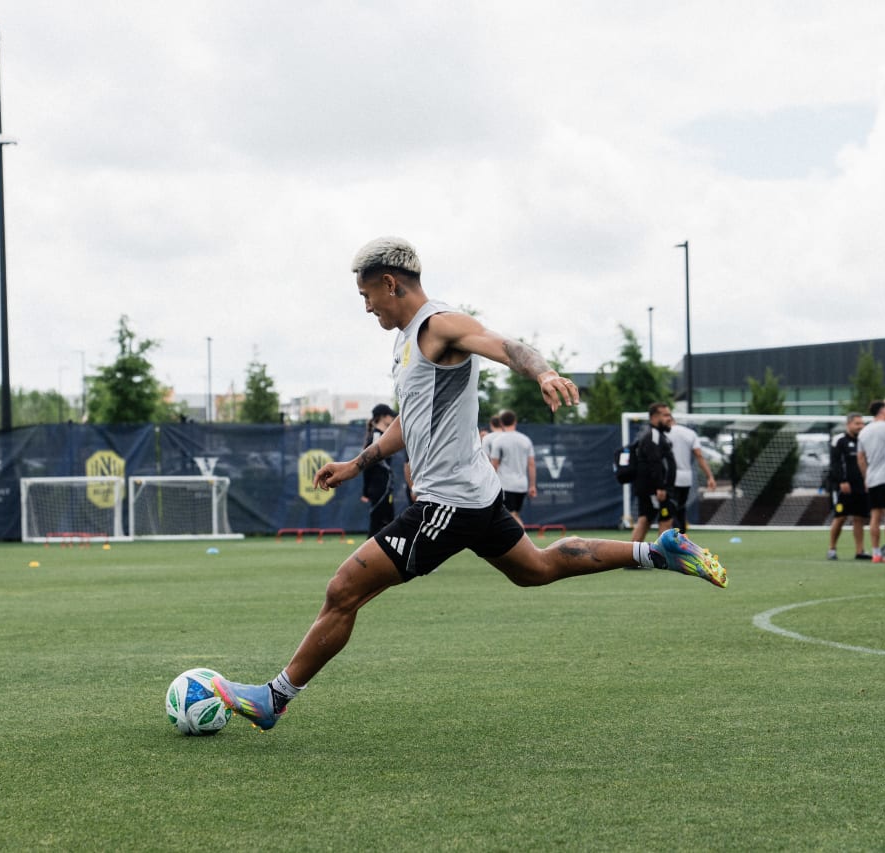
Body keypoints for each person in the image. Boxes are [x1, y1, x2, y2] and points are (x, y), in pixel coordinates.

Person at [210, 237, 727, 732]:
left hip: (449, 504)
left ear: (390, 284)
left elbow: (509, 346)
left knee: (343, 590)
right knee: (537, 569)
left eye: (367, 296)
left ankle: (272, 699)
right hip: (475, 498)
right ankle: (658, 553)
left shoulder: (439, 324)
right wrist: (357, 463)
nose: (367, 307)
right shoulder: (406, 343)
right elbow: (408, 423)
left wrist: (543, 373)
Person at [857, 400, 885, 563]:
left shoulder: (864, 431)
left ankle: (875, 553)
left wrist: (866, 476)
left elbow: (860, 458)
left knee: (874, 516)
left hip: (872, 478)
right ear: (883, 411)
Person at [630, 402, 676, 542]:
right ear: (655, 417)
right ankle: (662, 556)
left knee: (646, 518)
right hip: (654, 489)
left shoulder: (658, 435)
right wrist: (660, 487)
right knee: (664, 519)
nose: (670, 418)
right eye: (666, 415)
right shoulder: (653, 435)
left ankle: (632, 557)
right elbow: (654, 462)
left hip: (653, 487)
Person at [827, 412, 869, 560]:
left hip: (860, 486)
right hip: (843, 487)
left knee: (859, 518)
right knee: (840, 517)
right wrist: (842, 481)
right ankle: (832, 549)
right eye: (857, 423)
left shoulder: (864, 440)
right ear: (849, 424)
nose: (860, 426)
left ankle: (860, 551)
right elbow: (835, 463)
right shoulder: (839, 441)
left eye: (862, 423)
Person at [664, 413, 716, 533]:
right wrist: (710, 476)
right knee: (681, 509)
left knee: (671, 510)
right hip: (686, 478)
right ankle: (683, 537)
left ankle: (676, 538)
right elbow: (699, 455)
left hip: (669, 477)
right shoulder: (690, 433)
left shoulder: (663, 433)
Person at [489, 409, 536, 525]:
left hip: (506, 485)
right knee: (513, 514)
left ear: (501, 423)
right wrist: (532, 485)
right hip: (522, 485)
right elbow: (531, 464)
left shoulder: (498, 441)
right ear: (515, 422)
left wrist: (489, 485)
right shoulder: (526, 440)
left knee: (511, 516)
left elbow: (494, 465)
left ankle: (524, 539)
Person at [360, 404, 397, 537]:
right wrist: (366, 491)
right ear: (382, 417)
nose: (393, 418)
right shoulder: (377, 437)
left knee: (389, 524)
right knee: (377, 525)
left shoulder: (384, 436)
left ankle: (387, 556)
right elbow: (367, 466)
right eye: (390, 415)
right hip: (379, 489)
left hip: (386, 488)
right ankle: (367, 557)